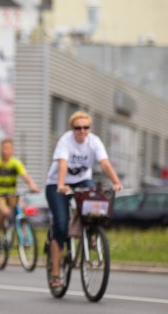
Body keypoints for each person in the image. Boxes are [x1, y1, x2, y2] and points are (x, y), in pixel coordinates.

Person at [45, 111, 122, 288]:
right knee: (61, 226)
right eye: (78, 128)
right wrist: (61, 184)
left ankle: (91, 233)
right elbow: (63, 164)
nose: (82, 131)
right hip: (57, 184)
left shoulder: (94, 141)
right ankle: (56, 275)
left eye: (85, 127)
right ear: (72, 129)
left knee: (95, 198)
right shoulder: (65, 141)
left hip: (81, 181)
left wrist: (116, 182)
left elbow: (104, 163)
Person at [0, 138, 39, 253]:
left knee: (22, 209)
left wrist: (32, 185)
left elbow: (25, 176)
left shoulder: (16, 163)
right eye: (3, 148)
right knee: (5, 212)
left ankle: (24, 236)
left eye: (8, 148)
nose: (5, 151)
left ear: (12, 150)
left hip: (12, 194)